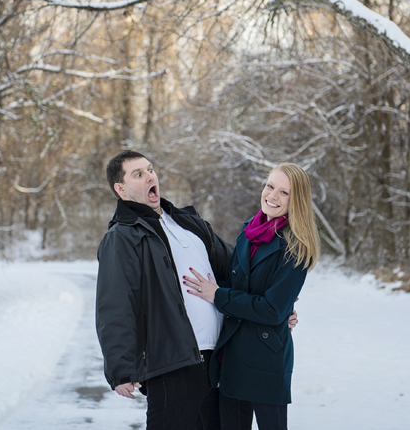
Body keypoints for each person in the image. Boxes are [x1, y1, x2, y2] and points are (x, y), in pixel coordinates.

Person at [95, 151, 298, 430]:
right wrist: (120, 367)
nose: (150, 176)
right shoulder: (122, 237)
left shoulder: (188, 223)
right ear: (121, 189)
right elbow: (114, 305)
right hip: (171, 363)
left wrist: (278, 304)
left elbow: (238, 272)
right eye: (138, 174)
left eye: (150, 169)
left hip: (218, 362)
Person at [183, 163, 319, 430]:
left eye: (284, 192)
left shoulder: (296, 246)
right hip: (233, 352)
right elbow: (240, 285)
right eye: (270, 186)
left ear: (297, 200)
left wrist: (219, 296)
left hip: (266, 358)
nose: (272, 196)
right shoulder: (248, 233)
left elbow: (272, 310)